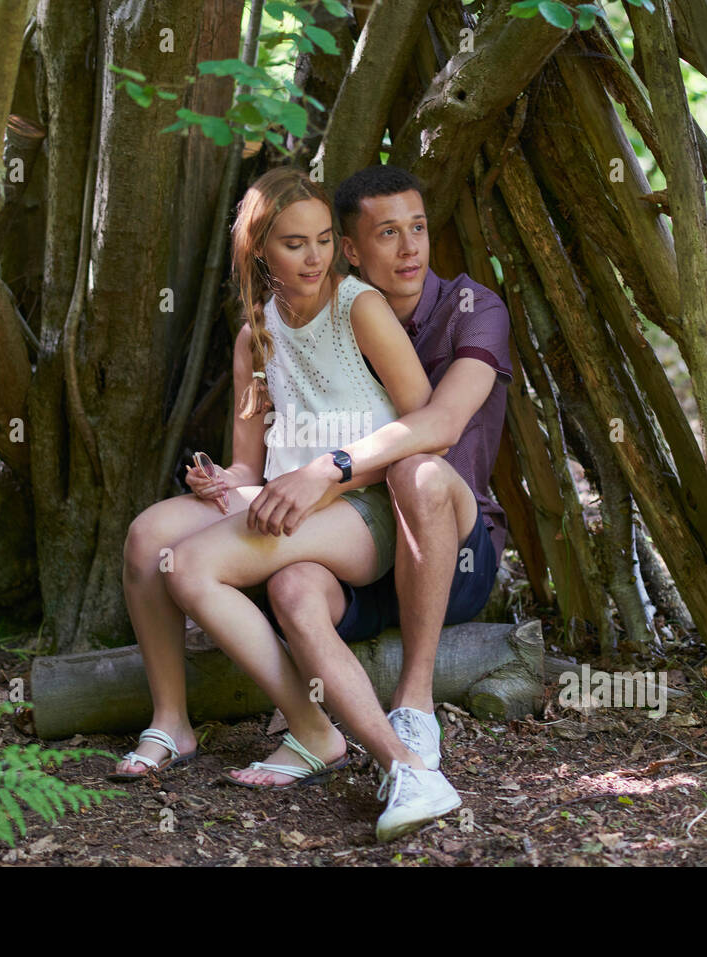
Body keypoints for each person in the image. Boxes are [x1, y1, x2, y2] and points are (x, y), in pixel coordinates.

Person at [112, 167, 462, 839]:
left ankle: (318, 732)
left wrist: (328, 476)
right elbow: (252, 463)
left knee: (189, 567)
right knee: (147, 538)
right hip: (288, 505)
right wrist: (221, 479)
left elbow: (420, 427)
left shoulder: (359, 308)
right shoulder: (257, 335)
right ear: (259, 249)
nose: (315, 257)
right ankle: (172, 720)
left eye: (326, 240)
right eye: (296, 243)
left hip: (366, 511)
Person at [245, 165, 513, 840]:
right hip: (363, 555)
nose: (411, 249)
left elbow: (441, 423)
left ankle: (415, 701)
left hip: (452, 554)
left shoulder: (473, 309)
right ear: (352, 250)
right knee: (293, 583)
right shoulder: (324, 314)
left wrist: (327, 469)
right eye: (387, 234)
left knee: (416, 473)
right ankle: (381, 759)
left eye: (418, 228)